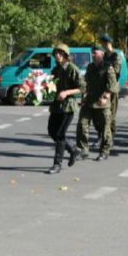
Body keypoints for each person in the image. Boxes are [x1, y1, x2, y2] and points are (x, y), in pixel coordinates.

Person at [45, 43, 83, 174]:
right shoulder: (56, 69)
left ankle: (57, 164)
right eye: (56, 53)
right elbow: (51, 85)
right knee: (52, 131)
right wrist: (43, 86)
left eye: (60, 53)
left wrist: (66, 92)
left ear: (66, 55)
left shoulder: (72, 69)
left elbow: (82, 88)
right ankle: (73, 149)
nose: (57, 55)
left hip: (68, 106)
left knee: (60, 134)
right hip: (56, 105)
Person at [76, 45, 118, 160]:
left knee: (105, 128)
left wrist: (105, 96)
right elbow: (86, 81)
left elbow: (113, 86)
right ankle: (83, 150)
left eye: (96, 52)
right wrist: (84, 93)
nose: (93, 55)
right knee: (82, 125)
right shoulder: (90, 67)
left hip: (102, 103)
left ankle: (105, 151)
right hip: (89, 101)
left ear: (102, 54)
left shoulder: (108, 67)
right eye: (92, 53)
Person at [101, 34, 121, 140]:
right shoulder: (105, 55)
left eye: (103, 43)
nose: (102, 45)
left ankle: (111, 135)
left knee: (111, 114)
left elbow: (116, 73)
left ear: (108, 43)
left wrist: (107, 69)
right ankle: (104, 136)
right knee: (103, 114)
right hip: (104, 87)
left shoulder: (116, 56)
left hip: (113, 88)